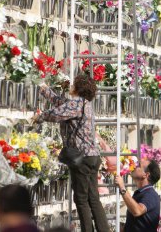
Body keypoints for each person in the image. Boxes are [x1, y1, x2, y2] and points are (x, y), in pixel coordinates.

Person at [33, 74, 110, 232]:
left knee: (81, 199)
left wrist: (40, 116)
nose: (71, 86)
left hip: (82, 158)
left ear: (79, 87)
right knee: (93, 197)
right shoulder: (84, 103)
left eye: (74, 84)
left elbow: (57, 113)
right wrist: (45, 90)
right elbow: (62, 104)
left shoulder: (76, 103)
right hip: (92, 156)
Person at [114, 160, 161, 232]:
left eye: (138, 166)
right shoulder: (142, 192)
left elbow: (137, 211)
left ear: (146, 175)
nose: (134, 166)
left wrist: (122, 187)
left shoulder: (150, 194)